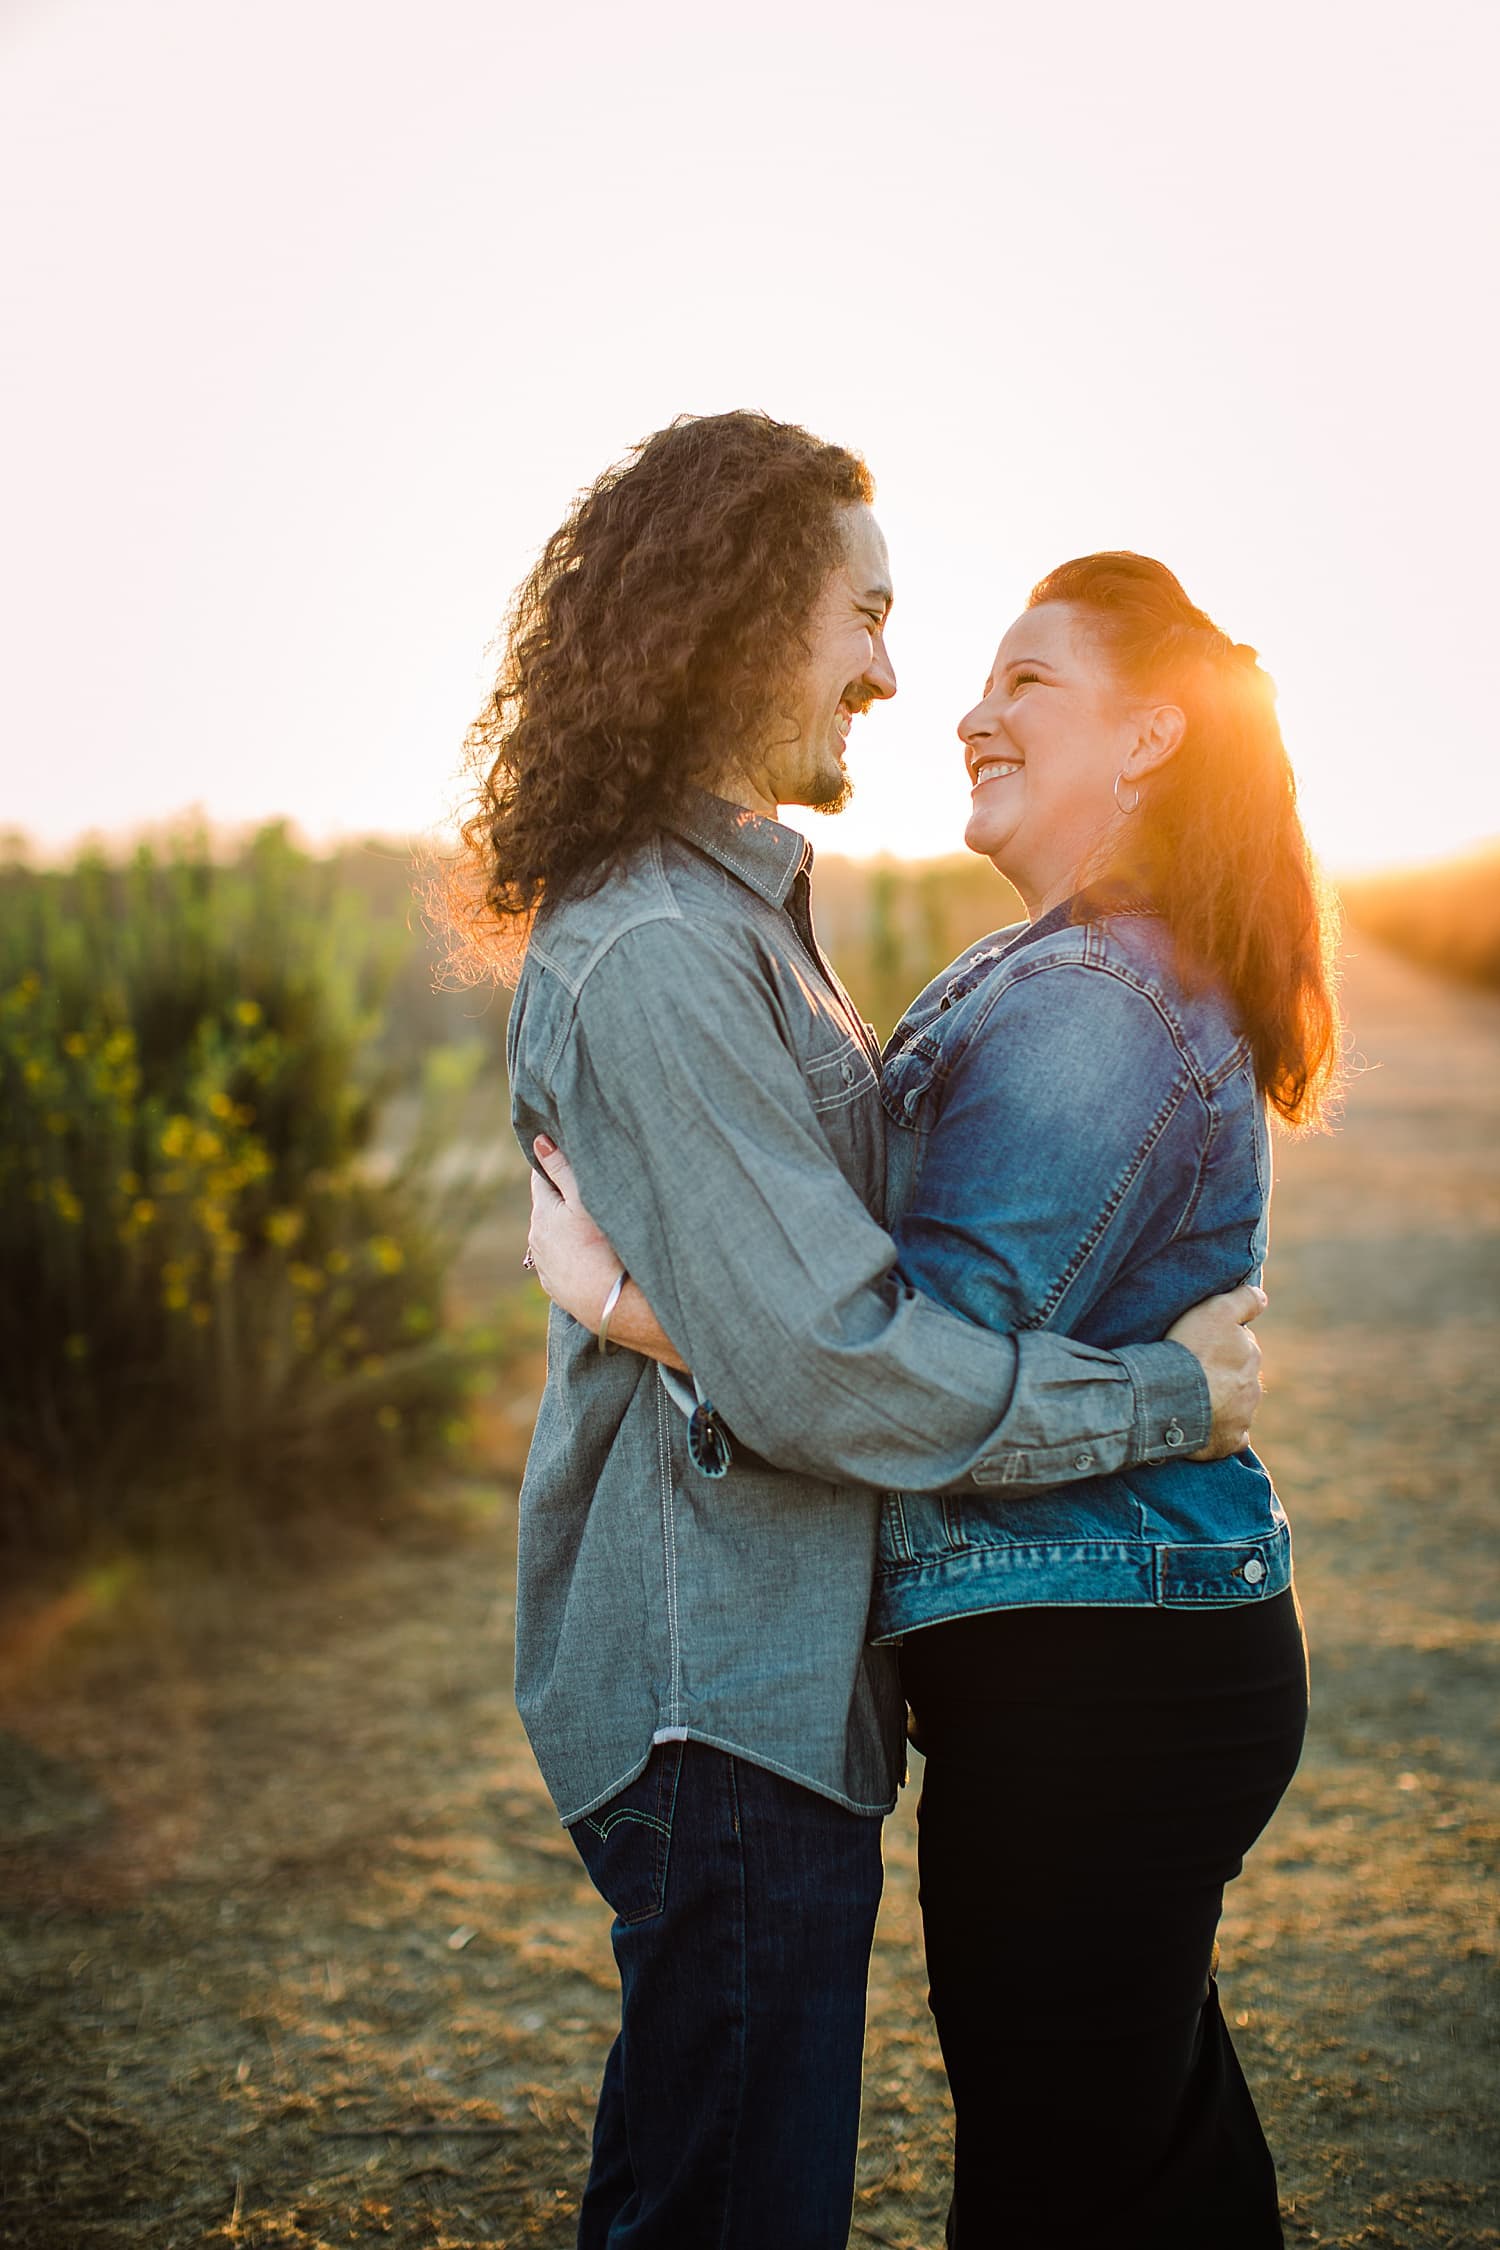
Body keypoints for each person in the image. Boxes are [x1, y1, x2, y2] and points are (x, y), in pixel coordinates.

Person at [460, 409, 1266, 2250]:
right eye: (870, 616)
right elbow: (834, 1355)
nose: (897, 675)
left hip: (773, 1680)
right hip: (714, 1683)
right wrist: (1165, 1395)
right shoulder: (660, 945)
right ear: (748, 610)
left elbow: (804, 1304)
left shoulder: (745, 923)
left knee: (719, 2187)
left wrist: (645, 1308)